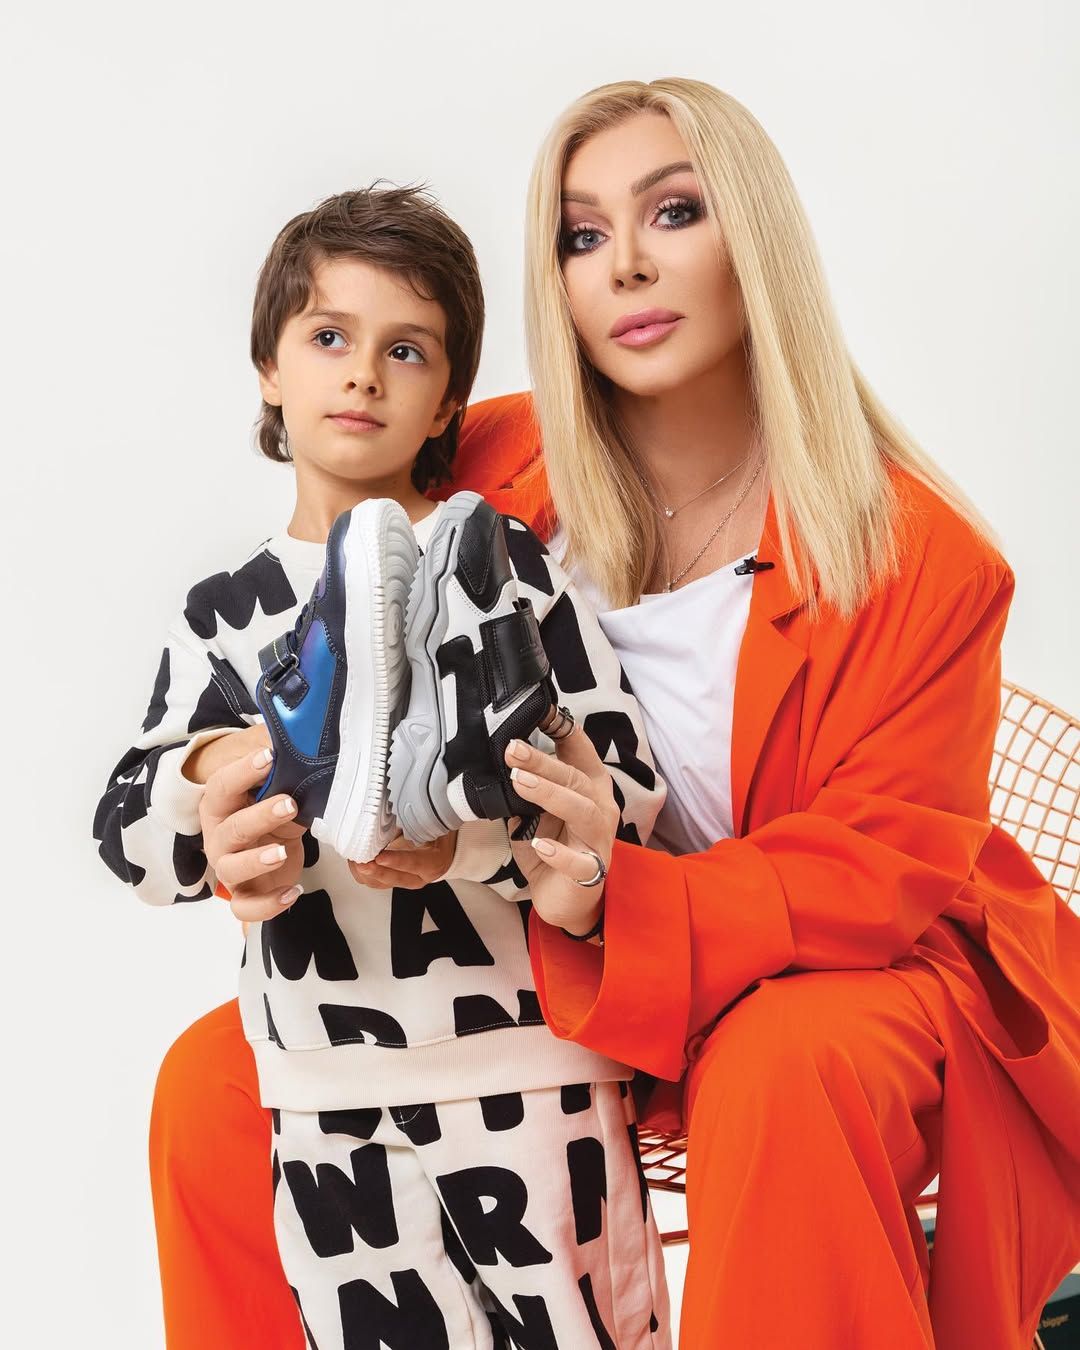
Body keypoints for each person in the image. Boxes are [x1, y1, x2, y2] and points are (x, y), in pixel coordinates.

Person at [144, 79, 1080, 1349]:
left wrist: (610, 899)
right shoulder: (479, 465)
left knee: (781, 1061)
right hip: (539, 972)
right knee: (216, 1079)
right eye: (582, 236)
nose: (626, 264)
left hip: (824, 975)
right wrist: (235, 801)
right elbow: (311, 621)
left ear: (757, 243)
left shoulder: (926, 560)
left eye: (674, 213)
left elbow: (878, 872)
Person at [94, 186, 671, 1348]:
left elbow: (629, 802)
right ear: (269, 368)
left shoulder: (504, 563)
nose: (363, 374)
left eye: (405, 350)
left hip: (530, 1075)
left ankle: (428, 762)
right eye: (328, 337)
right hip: (330, 1097)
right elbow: (125, 832)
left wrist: (472, 844)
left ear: (447, 399)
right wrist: (218, 813)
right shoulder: (225, 615)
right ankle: (304, 741)